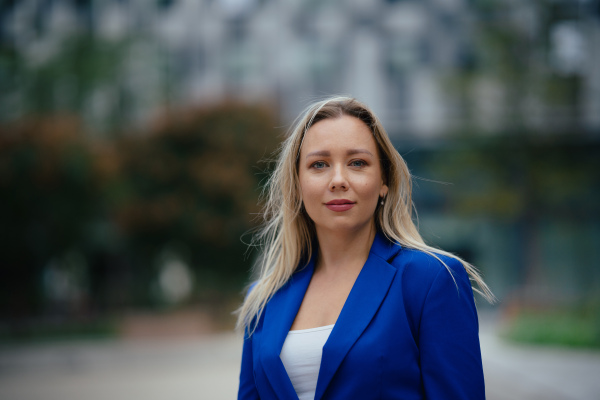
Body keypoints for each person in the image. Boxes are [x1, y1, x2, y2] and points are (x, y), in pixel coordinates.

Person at [236, 96, 495, 400]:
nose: (338, 180)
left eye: (357, 163)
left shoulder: (431, 280)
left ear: (383, 179)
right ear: (297, 184)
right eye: (319, 164)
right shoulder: (263, 299)